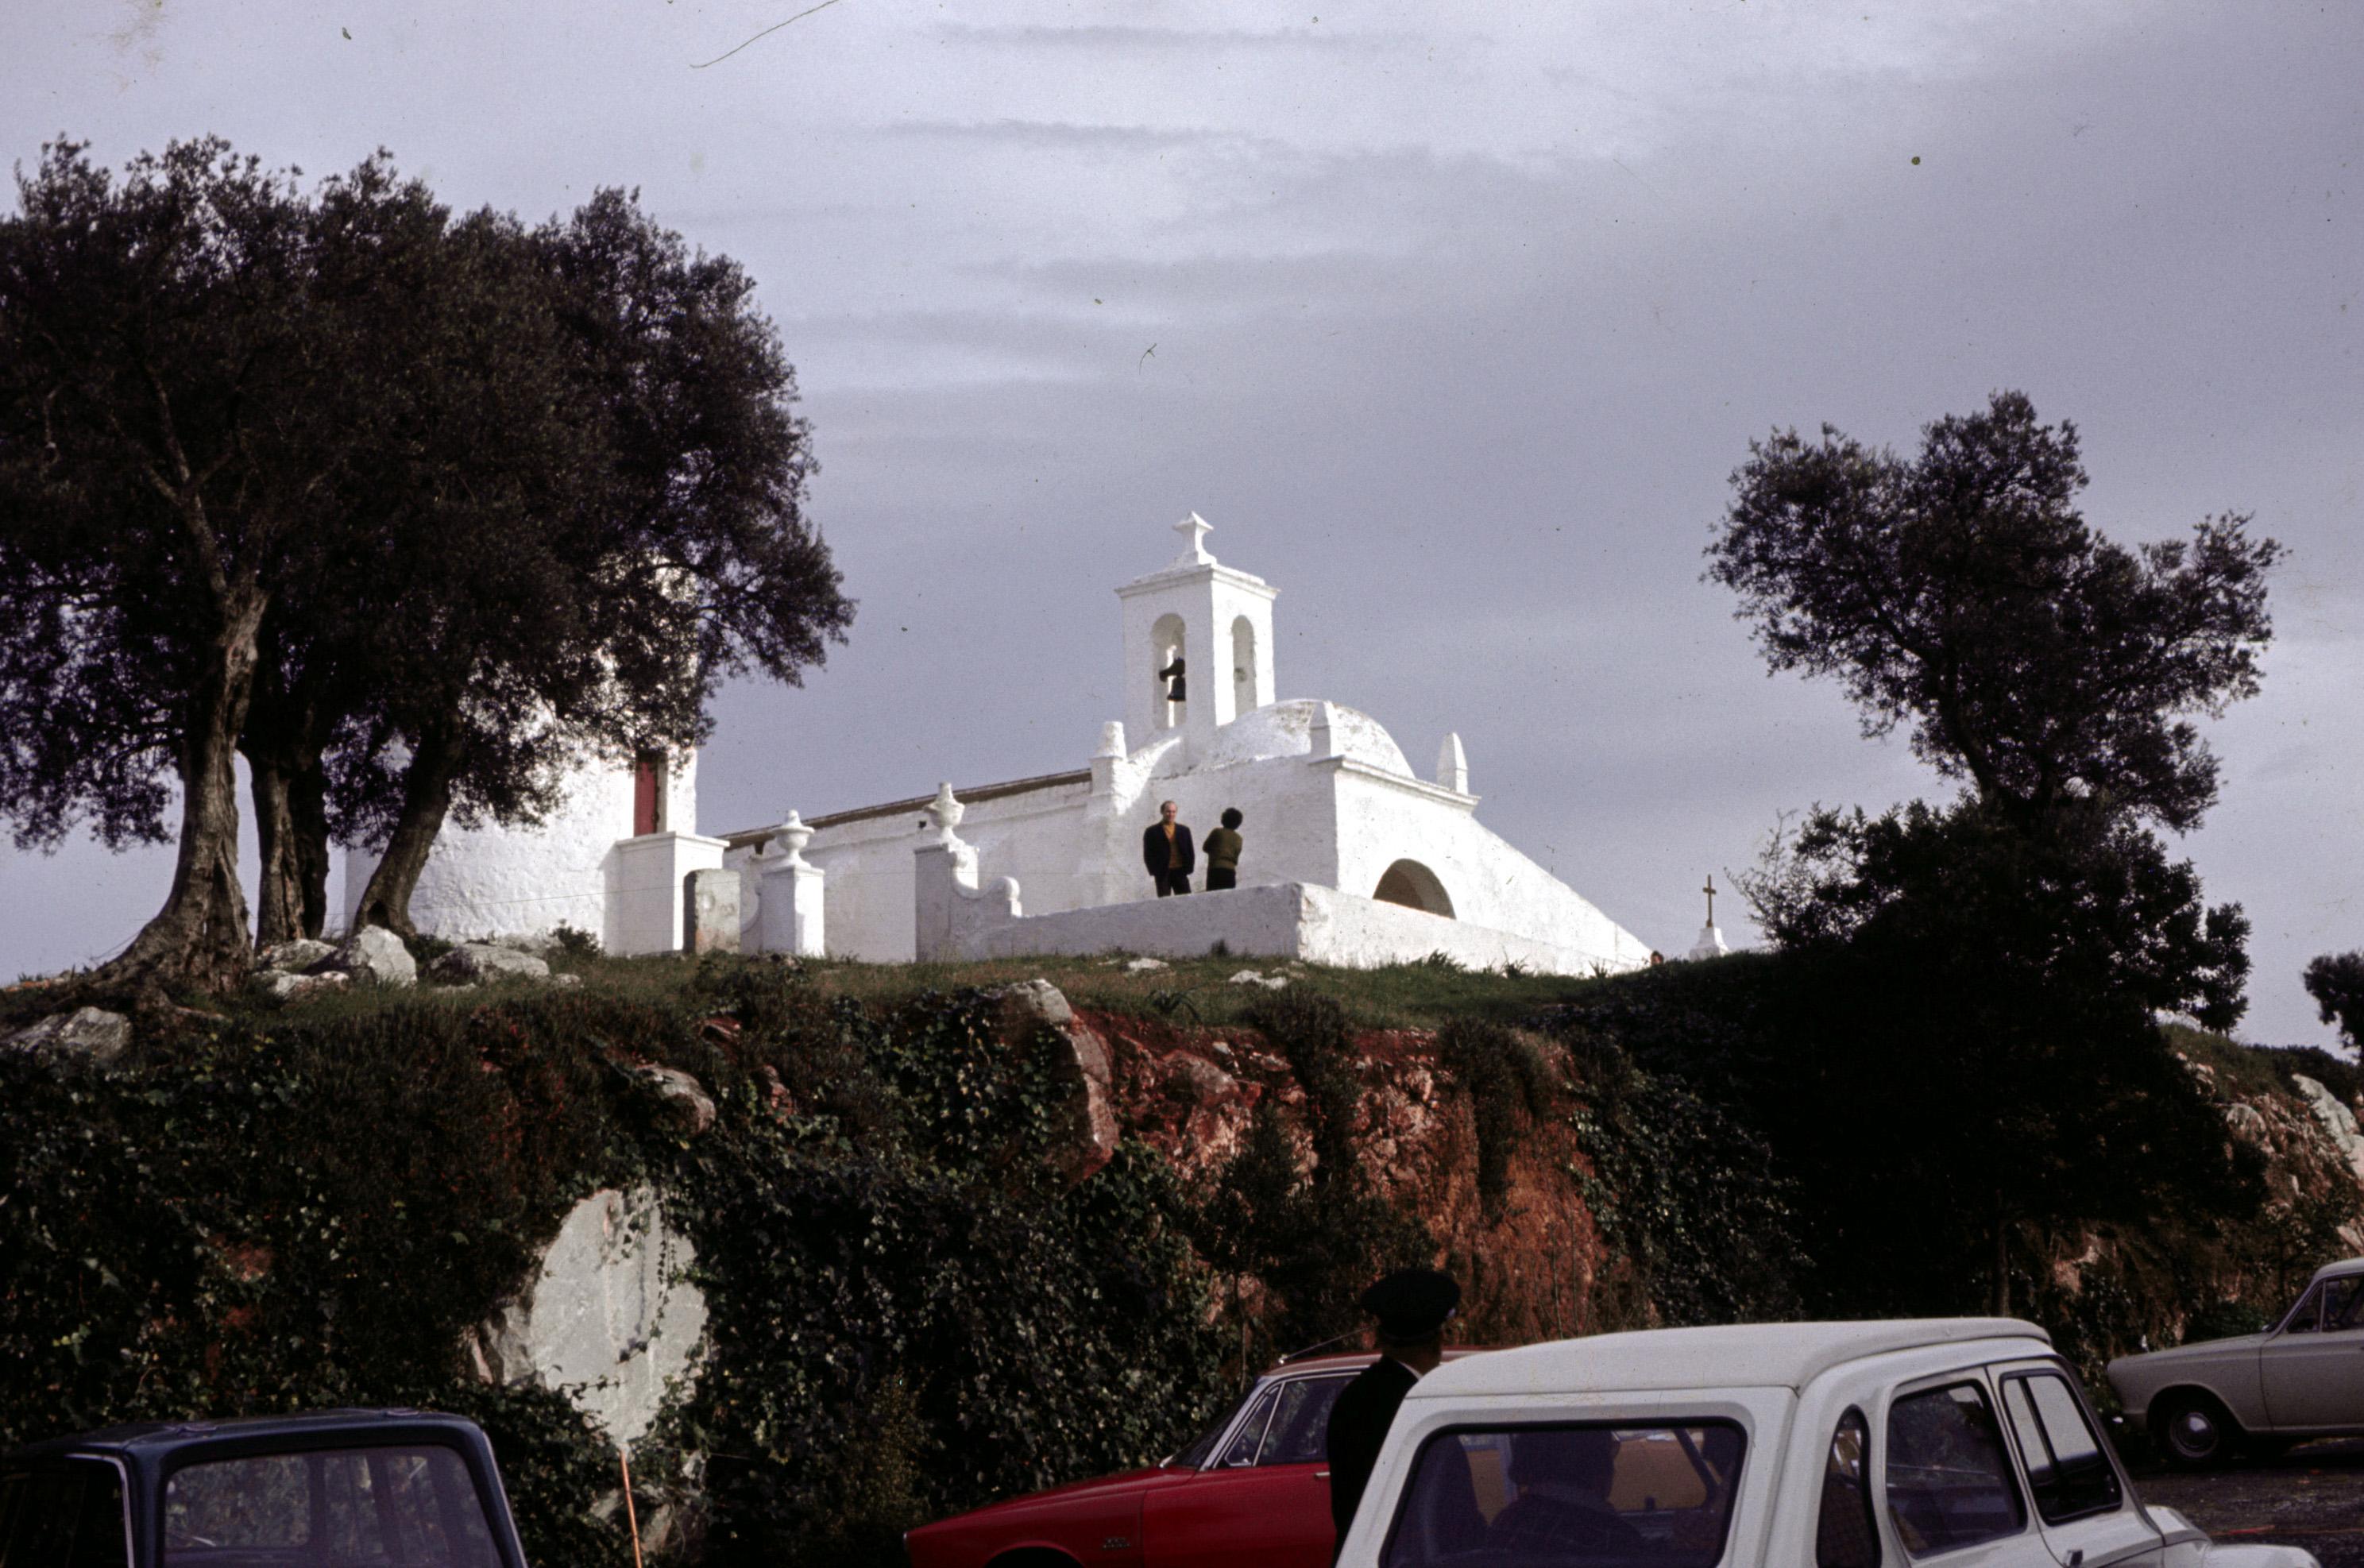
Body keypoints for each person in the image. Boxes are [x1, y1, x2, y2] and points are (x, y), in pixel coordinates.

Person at [1326, 1266, 1460, 1561]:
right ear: (1438, 1340)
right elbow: (1456, 1517)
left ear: (1382, 1338)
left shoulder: (1351, 1399)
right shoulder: (1424, 1410)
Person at [1142, 800, 1194, 896]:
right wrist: (1154, 871)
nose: (1171, 814)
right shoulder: (1152, 832)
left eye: (1173, 812)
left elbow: (1190, 851)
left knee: (1186, 900)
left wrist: (1189, 868)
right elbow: (1148, 854)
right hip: (1163, 873)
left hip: (1180, 871)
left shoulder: (1184, 830)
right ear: (1162, 812)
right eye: (1168, 811)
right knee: (1164, 902)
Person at [1203, 807, 1244, 890]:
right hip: (1230, 871)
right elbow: (1237, 854)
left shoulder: (1217, 832)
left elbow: (1205, 847)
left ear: (1223, 819)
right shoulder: (1239, 838)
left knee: (1213, 896)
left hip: (1215, 868)